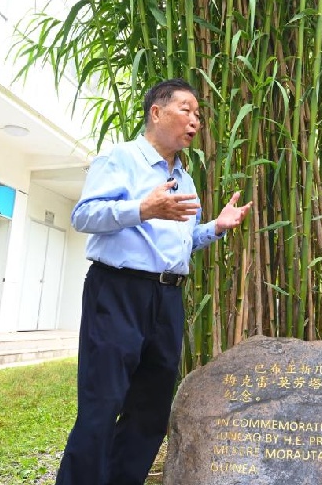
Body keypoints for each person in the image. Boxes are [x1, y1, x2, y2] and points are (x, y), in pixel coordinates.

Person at [56, 78, 252, 485]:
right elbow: (83, 216)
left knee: (150, 409)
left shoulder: (185, 176)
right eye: (186, 109)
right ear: (156, 112)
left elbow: (177, 244)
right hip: (118, 291)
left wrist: (215, 226)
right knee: (101, 403)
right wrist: (141, 208)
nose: (195, 120)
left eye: (198, 114)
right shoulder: (121, 159)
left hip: (167, 298)